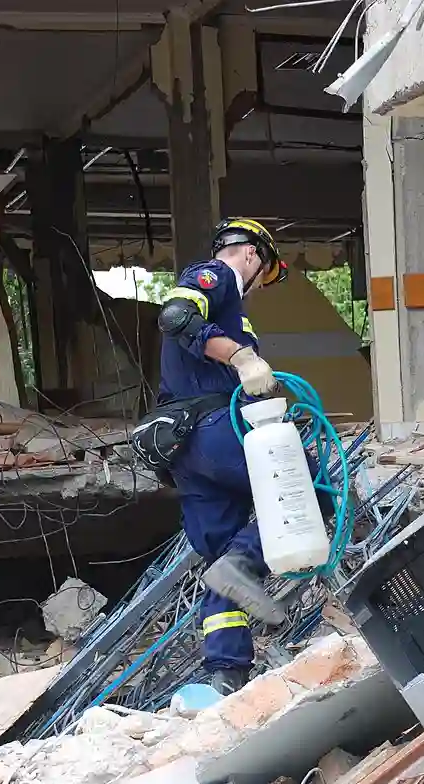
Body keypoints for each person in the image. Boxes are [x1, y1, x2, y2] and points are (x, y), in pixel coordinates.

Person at [145, 218, 296, 695]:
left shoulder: (233, 316)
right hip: (212, 430)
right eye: (265, 272)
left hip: (183, 450)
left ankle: (225, 674)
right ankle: (248, 563)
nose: (259, 284)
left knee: (221, 559)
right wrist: (242, 358)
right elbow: (176, 316)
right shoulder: (219, 275)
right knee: (308, 484)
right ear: (253, 255)